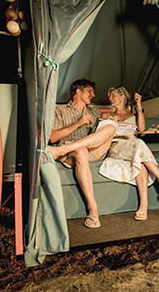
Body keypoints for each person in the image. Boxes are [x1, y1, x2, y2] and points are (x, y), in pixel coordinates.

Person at [99, 86, 159, 221]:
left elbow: (142, 129)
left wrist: (139, 105)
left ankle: (143, 207)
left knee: (141, 162)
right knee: (139, 143)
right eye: (110, 96)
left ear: (122, 97)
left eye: (113, 95)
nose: (110, 98)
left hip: (133, 149)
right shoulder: (107, 116)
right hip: (116, 147)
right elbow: (100, 135)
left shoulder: (133, 116)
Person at [47, 79, 116, 229]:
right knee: (81, 151)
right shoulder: (59, 110)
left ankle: (59, 151)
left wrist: (107, 123)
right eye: (89, 91)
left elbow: (101, 134)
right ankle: (93, 209)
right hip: (72, 152)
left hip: (91, 149)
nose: (93, 94)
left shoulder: (94, 112)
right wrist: (78, 123)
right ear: (78, 92)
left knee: (110, 128)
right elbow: (52, 137)